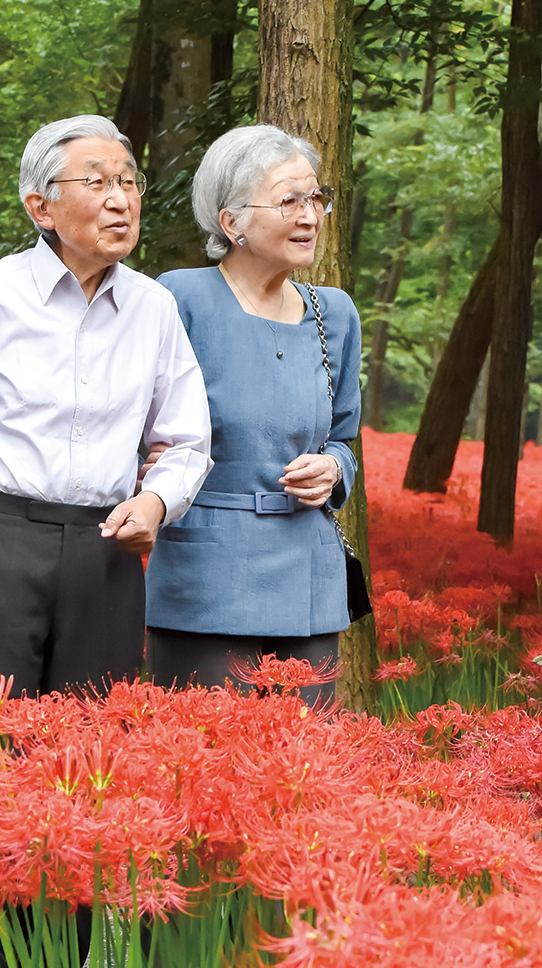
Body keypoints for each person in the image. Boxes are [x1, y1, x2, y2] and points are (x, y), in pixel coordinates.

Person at [0, 114, 212, 966]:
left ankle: (55, 956)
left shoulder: (153, 307)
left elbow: (188, 439)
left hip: (105, 554)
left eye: (131, 181)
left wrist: (157, 500)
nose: (121, 199)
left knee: (84, 771)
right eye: (98, 182)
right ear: (42, 204)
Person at [144, 124, 362, 705]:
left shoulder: (333, 313)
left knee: (304, 772)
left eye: (315, 198)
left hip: (308, 582)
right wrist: (144, 459)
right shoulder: (178, 299)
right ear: (231, 221)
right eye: (289, 200)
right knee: (204, 764)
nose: (310, 215)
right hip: (205, 579)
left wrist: (334, 470)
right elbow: (135, 419)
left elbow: (344, 437)